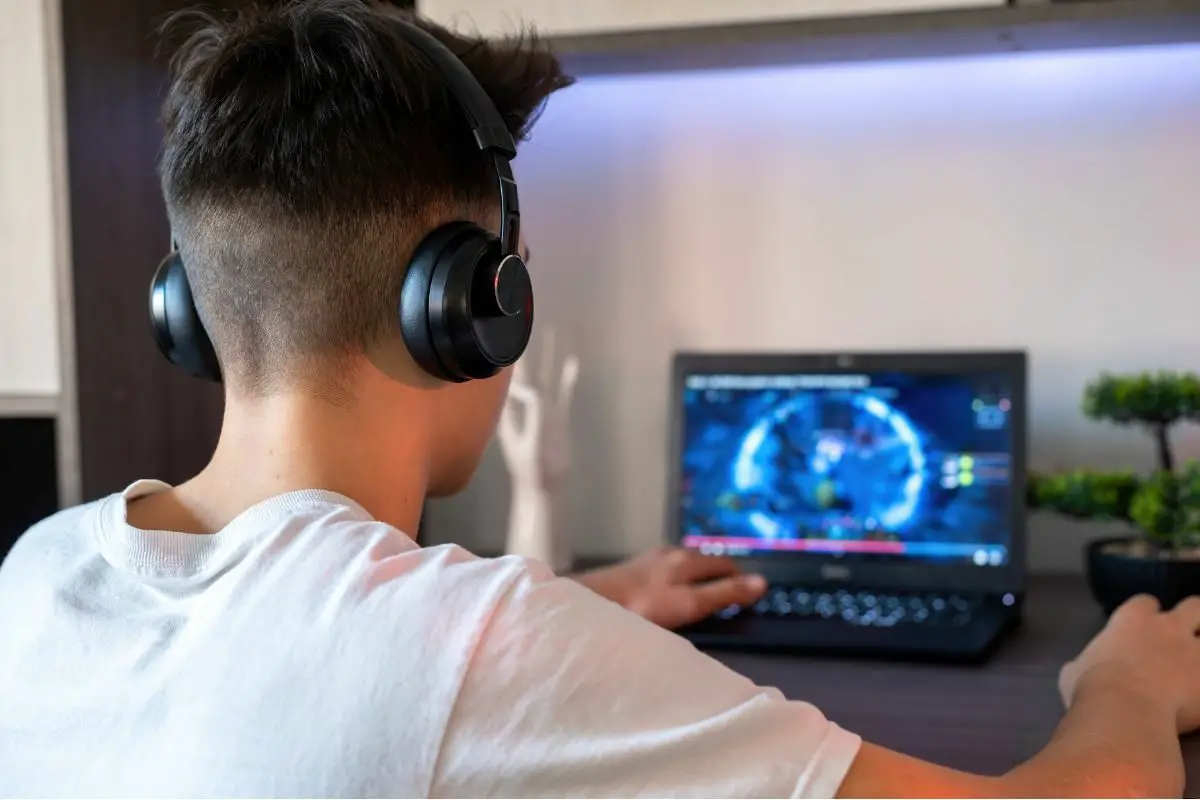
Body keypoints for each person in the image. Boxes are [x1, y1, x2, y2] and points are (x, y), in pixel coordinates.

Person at [0, 2, 1196, 797]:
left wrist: (587, 599)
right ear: (476, 302)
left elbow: (310, 653)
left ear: (187, 304)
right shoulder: (473, 649)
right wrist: (1126, 686)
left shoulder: (40, 575)